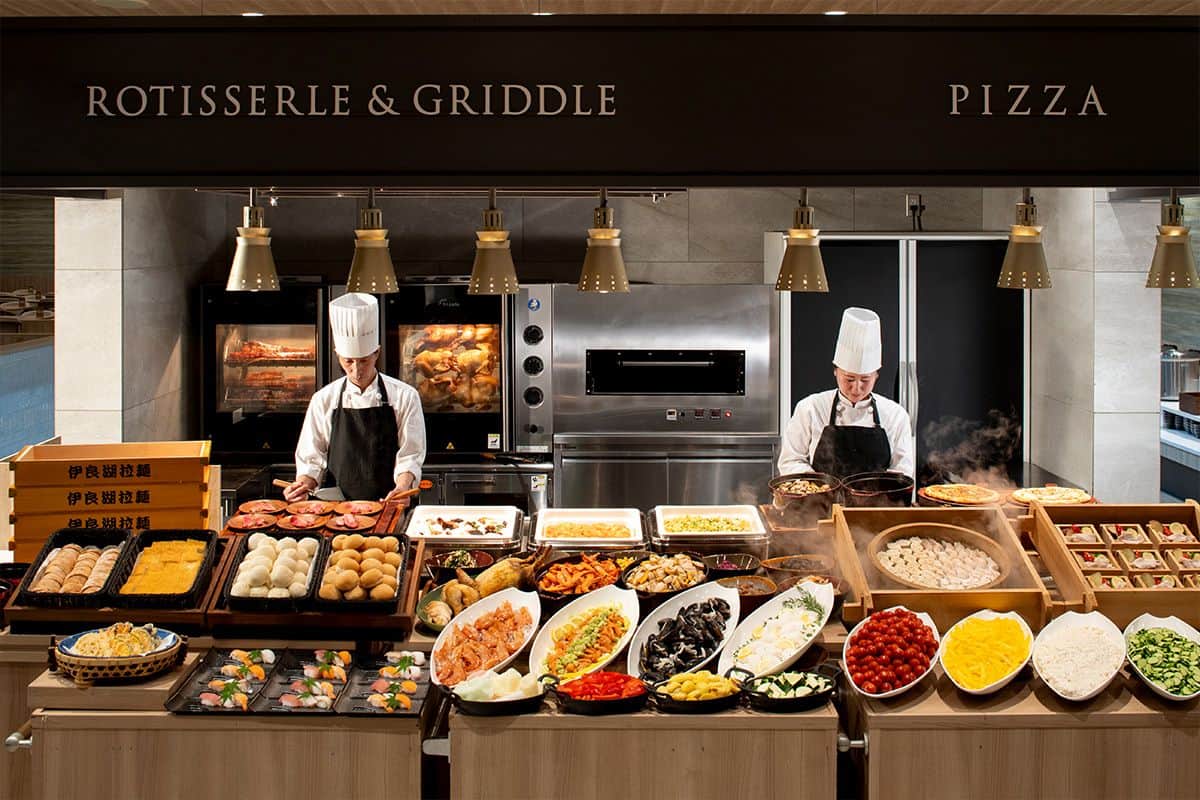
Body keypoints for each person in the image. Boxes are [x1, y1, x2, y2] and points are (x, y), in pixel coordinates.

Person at [285, 293, 426, 504]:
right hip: (337, 508)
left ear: (376, 353)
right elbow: (312, 457)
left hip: (388, 505)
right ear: (337, 355)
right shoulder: (323, 399)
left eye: (364, 361)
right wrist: (303, 485)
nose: (357, 370)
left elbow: (410, 455)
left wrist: (403, 487)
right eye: (348, 361)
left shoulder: (405, 396)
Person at [778, 307, 914, 479]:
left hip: (875, 497)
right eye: (849, 379)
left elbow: (903, 473)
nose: (856, 388)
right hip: (821, 496)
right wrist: (820, 485)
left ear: (876, 375)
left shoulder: (896, 415)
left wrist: (878, 488)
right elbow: (790, 461)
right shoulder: (810, 408)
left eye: (865, 380)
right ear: (835, 371)